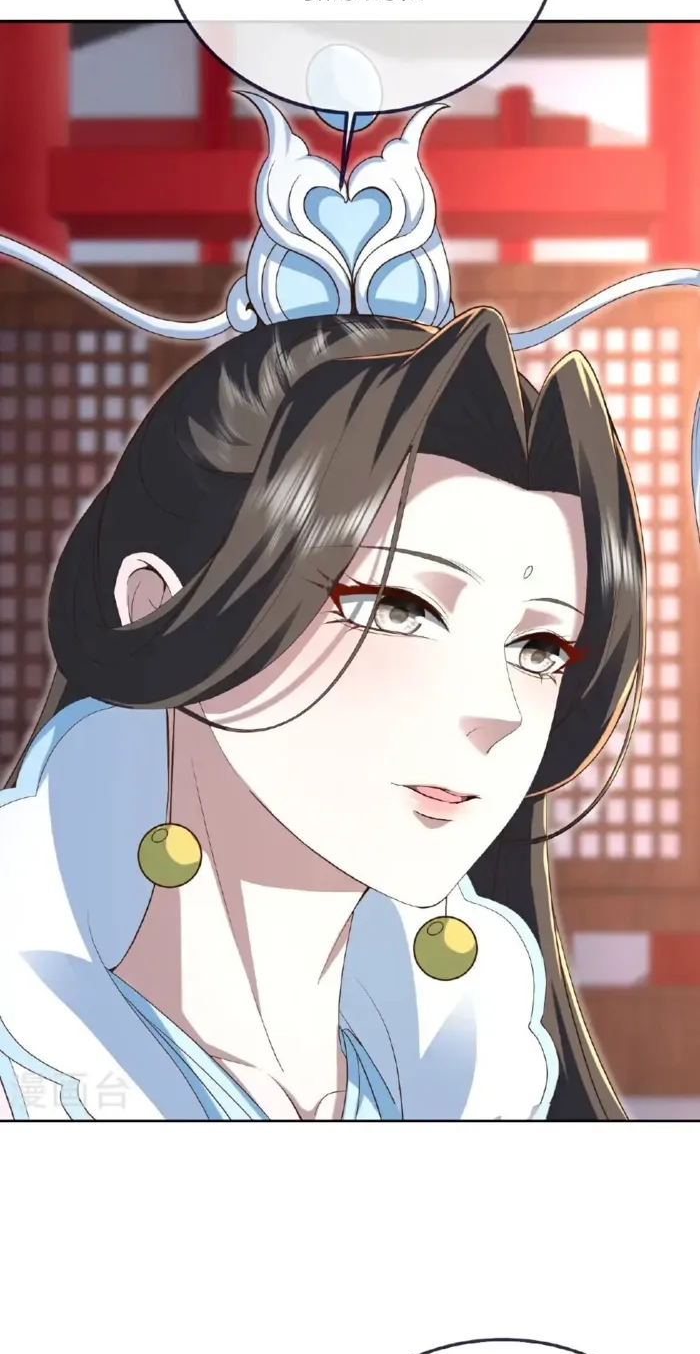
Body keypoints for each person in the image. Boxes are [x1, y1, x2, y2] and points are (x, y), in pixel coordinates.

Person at [0, 98, 643, 1119]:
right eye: (398, 606)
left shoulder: (481, 1069)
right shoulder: (31, 1044)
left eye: (538, 645)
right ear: (157, 610)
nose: (495, 711)